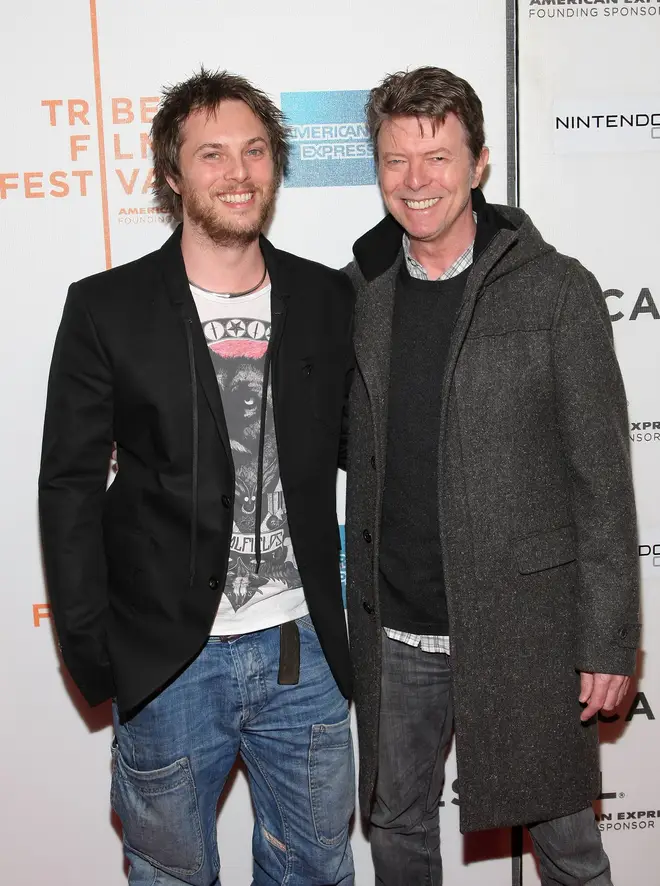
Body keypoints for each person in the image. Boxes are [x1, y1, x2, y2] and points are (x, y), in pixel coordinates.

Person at [39, 68, 355, 886]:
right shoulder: (106, 308)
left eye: (255, 151)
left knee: (316, 872)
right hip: (168, 663)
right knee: (170, 876)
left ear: (277, 165)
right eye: (211, 154)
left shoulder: (328, 298)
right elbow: (68, 486)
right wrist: (91, 649)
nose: (238, 172)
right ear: (174, 175)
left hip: (304, 653)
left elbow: (373, 444)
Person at [342, 66, 639, 886]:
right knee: (397, 826)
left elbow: (603, 482)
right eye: (396, 160)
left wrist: (608, 637)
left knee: (570, 848)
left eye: (437, 158)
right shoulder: (359, 296)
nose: (415, 181)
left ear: (478, 164)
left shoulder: (555, 291)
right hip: (397, 628)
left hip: (527, 629)